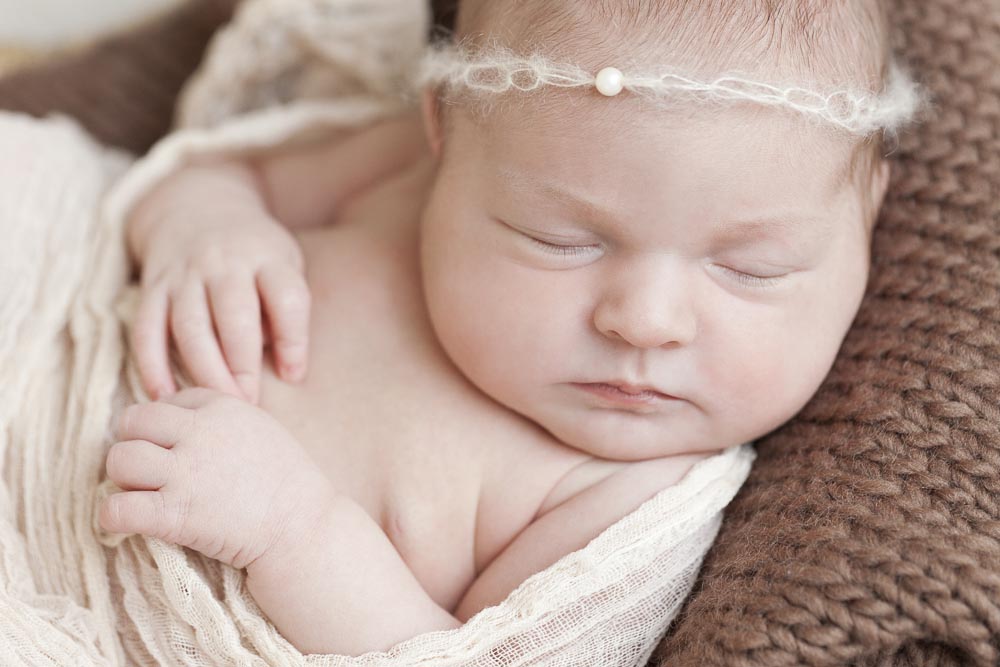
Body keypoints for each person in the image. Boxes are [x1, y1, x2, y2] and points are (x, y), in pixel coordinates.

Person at [99, 0, 919, 657]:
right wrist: (209, 225)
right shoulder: (412, 171)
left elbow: (463, 656)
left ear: (866, 211)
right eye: (562, 241)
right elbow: (214, 169)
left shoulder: (632, 499)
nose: (645, 320)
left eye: (751, 268)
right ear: (445, 133)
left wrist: (293, 528)